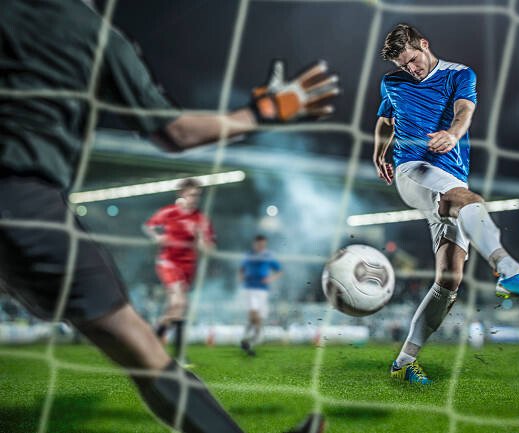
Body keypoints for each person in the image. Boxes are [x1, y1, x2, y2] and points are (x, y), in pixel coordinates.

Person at [0, 1, 337, 432]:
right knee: (140, 348)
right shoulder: (93, 33)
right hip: (23, 202)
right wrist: (261, 112)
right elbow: (176, 133)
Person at [373, 24, 519, 384]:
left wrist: (453, 134)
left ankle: (403, 363)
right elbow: (385, 119)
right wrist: (379, 148)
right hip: (413, 169)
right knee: (468, 201)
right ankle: (509, 272)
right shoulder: (392, 83)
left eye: (412, 60)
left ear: (424, 45)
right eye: (403, 66)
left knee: (449, 281)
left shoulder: (460, 75)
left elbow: (464, 111)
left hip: (450, 176)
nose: (410, 70)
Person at [143, 178, 215, 361]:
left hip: (188, 267)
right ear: (182, 195)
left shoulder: (201, 219)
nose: (195, 198)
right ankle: (179, 355)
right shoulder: (169, 212)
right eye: (191, 194)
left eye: (198, 195)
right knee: (179, 303)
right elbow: (148, 226)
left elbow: (210, 248)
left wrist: (201, 242)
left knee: (178, 308)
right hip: (168, 262)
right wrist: (157, 238)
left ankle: (153, 340)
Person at [239, 235, 282, 356]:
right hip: (250, 288)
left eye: (263, 244)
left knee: (258, 319)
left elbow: (279, 270)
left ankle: (249, 340)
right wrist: (241, 277)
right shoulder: (248, 255)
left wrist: (271, 278)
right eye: (259, 244)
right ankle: (250, 340)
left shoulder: (268, 255)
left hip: (263, 290)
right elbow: (241, 269)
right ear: (255, 244)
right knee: (254, 314)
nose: (261, 246)